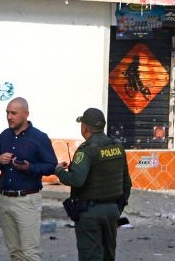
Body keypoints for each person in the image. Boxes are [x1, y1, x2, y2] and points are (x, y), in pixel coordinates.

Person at [55, 108, 131, 261]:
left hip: (89, 213)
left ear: (85, 128)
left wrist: (58, 171)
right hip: (112, 210)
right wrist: (117, 209)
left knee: (90, 256)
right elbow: (126, 184)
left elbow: (76, 179)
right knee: (108, 255)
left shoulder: (86, 150)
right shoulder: (117, 147)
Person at [0, 97, 57, 261]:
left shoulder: (39, 137)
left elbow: (52, 166)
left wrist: (30, 168)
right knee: (15, 253)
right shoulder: (4, 135)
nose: (9, 117)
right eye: (7, 113)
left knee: (30, 253)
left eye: (13, 113)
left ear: (26, 114)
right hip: (5, 199)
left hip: (27, 200)